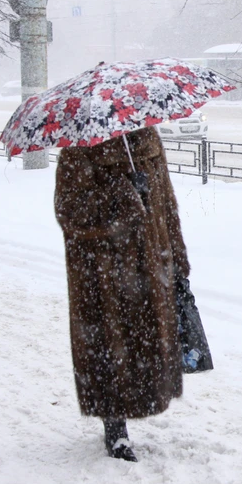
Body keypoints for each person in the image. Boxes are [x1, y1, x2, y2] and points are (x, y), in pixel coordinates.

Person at [54, 126, 191, 462]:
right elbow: (69, 210)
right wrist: (122, 196)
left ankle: (142, 402)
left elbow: (167, 206)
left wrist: (178, 260)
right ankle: (114, 428)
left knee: (146, 344)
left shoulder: (148, 141)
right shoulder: (79, 148)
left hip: (152, 261)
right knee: (107, 347)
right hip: (103, 269)